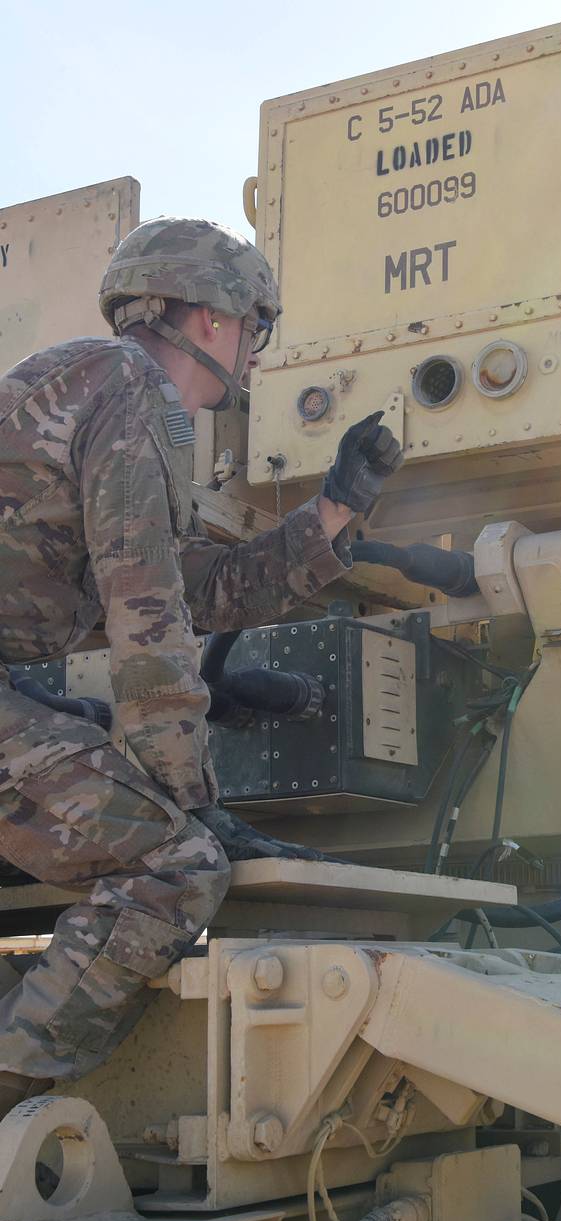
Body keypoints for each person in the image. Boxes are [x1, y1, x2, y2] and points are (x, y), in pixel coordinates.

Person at [0, 217, 403, 1113]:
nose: (256, 358)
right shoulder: (134, 392)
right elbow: (147, 624)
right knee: (176, 866)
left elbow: (194, 592)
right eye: (257, 330)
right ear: (217, 320)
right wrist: (194, 804)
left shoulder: (95, 386)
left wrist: (335, 512)